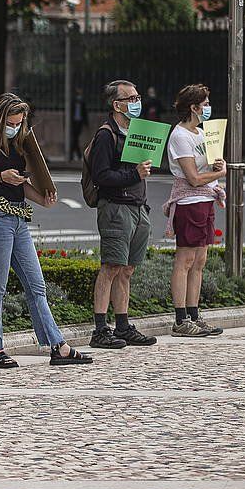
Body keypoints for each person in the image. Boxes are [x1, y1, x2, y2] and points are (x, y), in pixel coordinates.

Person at [0, 93, 92, 369]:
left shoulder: (19, 145)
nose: (16, 127)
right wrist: (0, 177)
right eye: (11, 122)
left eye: (20, 123)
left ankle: (58, 346)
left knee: (36, 285)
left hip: (18, 218)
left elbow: (19, 185)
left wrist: (41, 198)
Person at [87, 80, 157, 349]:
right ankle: (100, 329)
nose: (136, 102)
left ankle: (123, 325)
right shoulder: (106, 134)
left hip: (138, 207)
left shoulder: (135, 132)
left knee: (127, 270)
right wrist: (133, 174)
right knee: (111, 267)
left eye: (138, 96)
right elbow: (101, 176)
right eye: (130, 98)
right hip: (116, 207)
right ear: (116, 105)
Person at [163, 84, 226, 338]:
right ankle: (180, 319)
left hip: (205, 200)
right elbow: (192, 177)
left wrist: (216, 165)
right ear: (193, 107)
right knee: (185, 260)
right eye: (206, 104)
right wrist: (219, 173)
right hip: (189, 203)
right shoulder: (180, 136)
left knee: (199, 261)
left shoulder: (201, 133)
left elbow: (206, 169)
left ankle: (194, 314)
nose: (208, 108)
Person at [69, 87, 88, 160]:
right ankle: (77, 154)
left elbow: (84, 112)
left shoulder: (82, 101)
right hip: (73, 121)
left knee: (75, 138)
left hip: (79, 121)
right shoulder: (73, 101)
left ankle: (74, 154)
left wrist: (86, 123)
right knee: (75, 138)